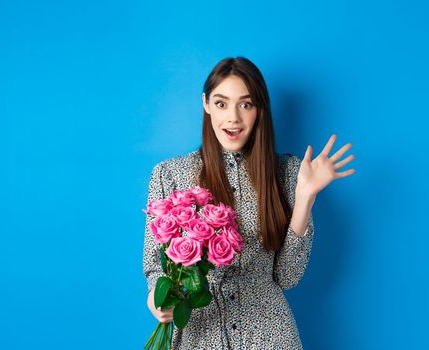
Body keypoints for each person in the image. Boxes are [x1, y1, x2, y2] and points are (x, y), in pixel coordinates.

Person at [142, 56, 356, 349]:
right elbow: (157, 267)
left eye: (246, 104)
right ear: (206, 104)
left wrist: (305, 197)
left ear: (260, 110)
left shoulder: (289, 173)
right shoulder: (170, 175)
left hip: (269, 335)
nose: (233, 118)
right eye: (221, 103)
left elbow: (287, 277)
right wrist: (157, 297)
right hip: (200, 334)